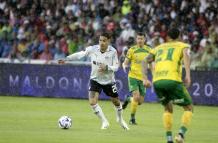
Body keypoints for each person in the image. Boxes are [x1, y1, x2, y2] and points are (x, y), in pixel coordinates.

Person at [58, 32, 129, 130]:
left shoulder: (113, 51)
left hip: (109, 81)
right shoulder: (93, 49)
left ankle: (120, 119)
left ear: (108, 41)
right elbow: (81, 54)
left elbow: (116, 67)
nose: (101, 43)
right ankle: (104, 121)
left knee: (116, 102)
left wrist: (107, 67)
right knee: (92, 102)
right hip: (95, 79)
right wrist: (67, 58)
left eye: (104, 41)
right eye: (100, 40)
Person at [142, 28, 193, 143]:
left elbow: (145, 61)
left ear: (167, 37)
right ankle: (180, 135)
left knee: (168, 108)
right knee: (189, 108)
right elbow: (186, 57)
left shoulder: (158, 48)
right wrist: (188, 76)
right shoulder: (182, 45)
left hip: (157, 81)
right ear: (179, 36)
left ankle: (169, 139)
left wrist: (145, 79)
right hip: (172, 79)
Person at [122, 32, 152, 125]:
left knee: (140, 102)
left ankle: (128, 99)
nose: (140, 40)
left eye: (141, 38)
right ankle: (132, 119)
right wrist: (124, 65)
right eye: (138, 38)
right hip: (133, 76)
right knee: (136, 97)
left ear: (145, 39)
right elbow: (126, 62)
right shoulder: (132, 50)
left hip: (143, 78)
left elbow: (151, 64)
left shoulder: (149, 50)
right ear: (136, 39)